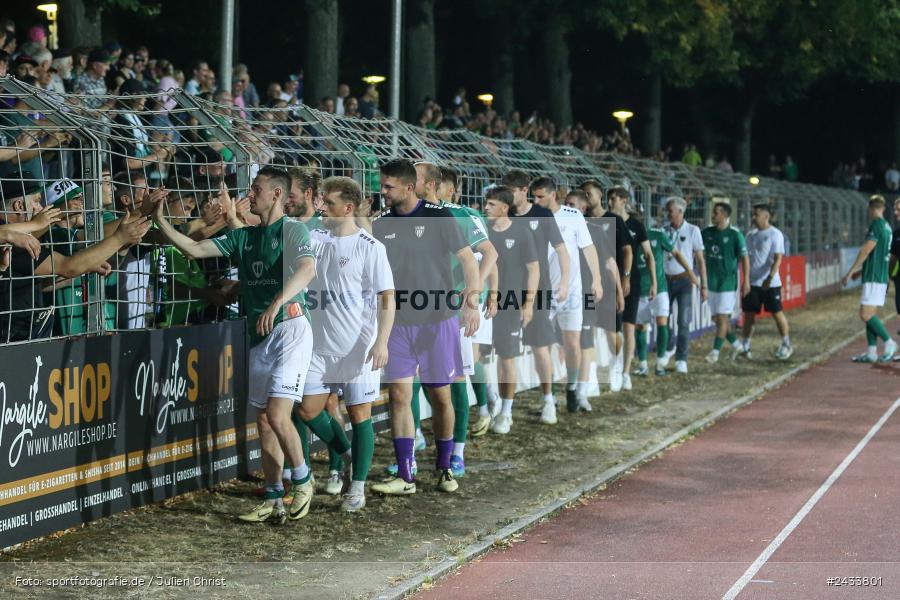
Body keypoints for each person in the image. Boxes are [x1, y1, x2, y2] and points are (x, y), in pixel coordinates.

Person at [152, 166, 317, 524]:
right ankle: (273, 496)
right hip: (259, 334)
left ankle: (303, 479)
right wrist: (160, 219)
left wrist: (275, 302)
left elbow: (306, 270)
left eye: (256, 189)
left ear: (276, 194)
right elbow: (194, 248)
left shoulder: (293, 229)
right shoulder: (244, 238)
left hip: (290, 327)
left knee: (277, 414)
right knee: (262, 419)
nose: (250, 195)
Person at [370, 158, 481, 495]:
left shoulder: (439, 216)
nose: (383, 192)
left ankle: (445, 466)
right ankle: (405, 475)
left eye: (388, 186)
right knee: (400, 396)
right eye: (382, 185)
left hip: (438, 320)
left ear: (408, 186)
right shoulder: (381, 224)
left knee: (439, 395)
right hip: (399, 323)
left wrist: (472, 301)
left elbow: (468, 260)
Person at [300, 176, 395, 512]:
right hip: (319, 347)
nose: (322, 207)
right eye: (321, 201)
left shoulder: (370, 247)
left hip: (359, 347)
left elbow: (387, 298)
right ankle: (347, 453)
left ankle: (357, 486)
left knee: (359, 414)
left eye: (329, 203)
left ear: (349, 208)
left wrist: (381, 342)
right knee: (308, 409)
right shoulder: (314, 238)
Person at [0, 174, 148, 342]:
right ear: (19, 205)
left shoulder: (21, 236)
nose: (39, 208)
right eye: (36, 201)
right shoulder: (20, 240)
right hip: (14, 335)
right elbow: (69, 266)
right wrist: (120, 237)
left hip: (26, 332)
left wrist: (85, 267)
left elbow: (40, 283)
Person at [415, 162, 496, 469]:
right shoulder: (407, 215)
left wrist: (473, 297)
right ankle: (415, 446)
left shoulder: (463, 215)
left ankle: (457, 452)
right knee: (417, 379)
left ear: (437, 185)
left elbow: (490, 253)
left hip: (454, 310)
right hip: (418, 310)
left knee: (457, 377)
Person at [501, 169, 569, 425]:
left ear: (522, 190)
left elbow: (561, 250)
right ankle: (505, 408)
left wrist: (563, 281)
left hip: (538, 291)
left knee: (540, 349)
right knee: (506, 353)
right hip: (508, 291)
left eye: (510, 191)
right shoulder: (503, 215)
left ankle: (548, 399)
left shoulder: (542, 214)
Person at [531, 178, 602, 409]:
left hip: (571, 292)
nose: (536, 201)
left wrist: (597, 280)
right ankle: (547, 397)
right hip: (543, 292)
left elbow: (588, 248)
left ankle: (572, 388)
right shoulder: (532, 216)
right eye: (534, 196)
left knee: (573, 343)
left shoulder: (572, 216)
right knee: (542, 347)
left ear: (553, 195)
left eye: (540, 196)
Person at [484, 186, 539, 430]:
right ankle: (488, 402)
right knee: (479, 358)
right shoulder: (482, 230)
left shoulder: (521, 231)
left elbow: (534, 269)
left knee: (507, 358)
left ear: (504, 208)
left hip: (509, 305)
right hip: (484, 303)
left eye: (491, 204)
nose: (486, 208)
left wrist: (528, 304)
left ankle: (506, 412)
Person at [580, 180, 629, 392]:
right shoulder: (579, 221)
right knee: (587, 332)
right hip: (585, 287)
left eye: (589, 193)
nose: (586, 197)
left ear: (600, 195)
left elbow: (625, 251)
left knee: (611, 333)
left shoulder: (614, 220)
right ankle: (590, 379)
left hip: (609, 283)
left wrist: (623, 283)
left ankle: (616, 363)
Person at [635, 221, 695, 377]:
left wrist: (690, 272)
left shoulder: (657, 235)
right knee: (641, 327)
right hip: (639, 290)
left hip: (660, 288)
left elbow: (676, 253)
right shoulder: (628, 236)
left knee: (662, 322)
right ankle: (642, 365)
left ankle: (660, 363)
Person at [607, 188, 654, 390]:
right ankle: (614, 366)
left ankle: (626, 372)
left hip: (630, 281)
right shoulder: (605, 221)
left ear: (624, 201)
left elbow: (648, 254)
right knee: (612, 329)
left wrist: (654, 282)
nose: (610, 202)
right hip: (609, 280)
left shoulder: (636, 225)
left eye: (613, 198)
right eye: (608, 198)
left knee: (628, 328)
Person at [841, 195, 896, 363]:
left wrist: (850, 271)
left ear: (871, 208)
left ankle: (889, 342)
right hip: (879, 275)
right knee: (870, 314)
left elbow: (866, 250)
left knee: (865, 314)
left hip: (874, 277)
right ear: (883, 208)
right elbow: (876, 254)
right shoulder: (887, 227)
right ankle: (871, 352)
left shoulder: (876, 225)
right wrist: (860, 272)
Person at [740, 204, 793, 360]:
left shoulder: (775, 234)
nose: (753, 217)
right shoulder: (750, 235)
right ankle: (745, 347)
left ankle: (786, 344)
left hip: (770, 284)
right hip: (753, 283)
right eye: (753, 214)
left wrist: (769, 278)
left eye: (756, 214)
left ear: (766, 216)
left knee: (777, 313)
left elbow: (778, 258)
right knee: (749, 315)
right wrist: (746, 280)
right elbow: (747, 259)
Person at [661, 197, 707, 374]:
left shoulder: (693, 230)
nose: (668, 214)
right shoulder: (663, 230)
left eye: (670, 211)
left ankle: (681, 358)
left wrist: (703, 285)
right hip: (666, 280)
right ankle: (670, 344)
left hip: (685, 281)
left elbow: (700, 259)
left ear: (680, 212)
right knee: (663, 319)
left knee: (684, 321)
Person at [702, 202, 750, 363]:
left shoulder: (736, 235)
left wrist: (746, 281)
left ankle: (715, 353)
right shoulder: (707, 232)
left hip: (727, 284)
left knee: (722, 319)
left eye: (716, 212)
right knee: (719, 320)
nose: (713, 215)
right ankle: (737, 346)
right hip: (711, 283)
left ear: (724, 215)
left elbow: (745, 259)